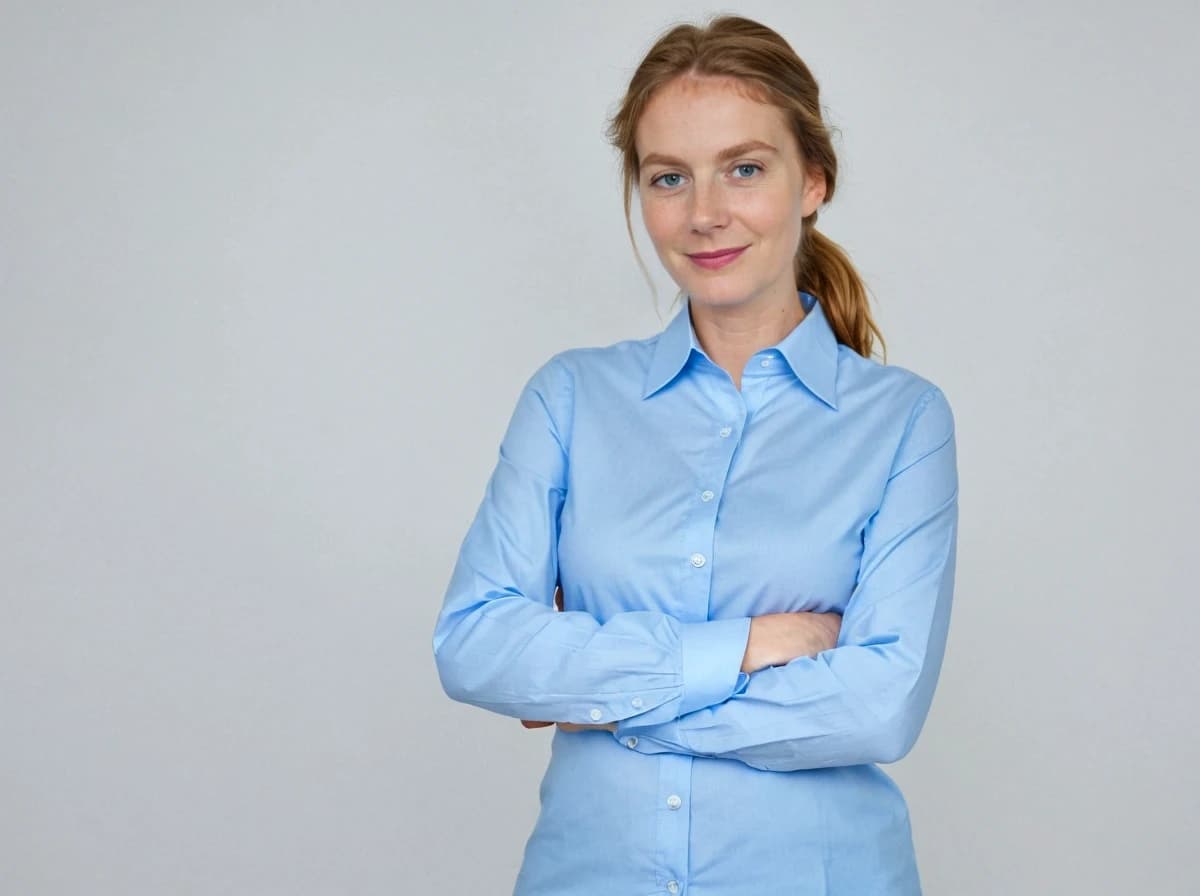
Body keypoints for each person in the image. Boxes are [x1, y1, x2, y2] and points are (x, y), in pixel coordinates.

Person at [431, 13, 958, 896]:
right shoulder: (570, 399)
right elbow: (478, 644)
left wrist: (609, 700)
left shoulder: (902, 421)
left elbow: (877, 709)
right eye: (668, 177)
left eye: (744, 169)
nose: (705, 214)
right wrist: (751, 645)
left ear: (813, 181)